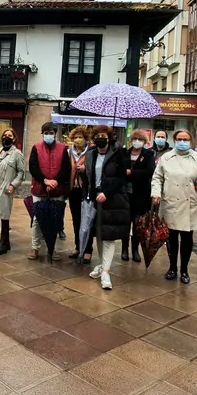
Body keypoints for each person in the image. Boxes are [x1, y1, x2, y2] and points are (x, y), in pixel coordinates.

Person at [151, 129, 197, 284]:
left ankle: (185, 270)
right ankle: (172, 267)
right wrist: (156, 193)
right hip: (171, 202)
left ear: (190, 141)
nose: (183, 142)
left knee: (187, 238)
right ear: (175, 141)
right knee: (171, 237)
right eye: (180, 139)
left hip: (190, 204)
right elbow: (157, 178)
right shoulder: (166, 158)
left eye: (186, 139)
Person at [83, 125, 130, 290]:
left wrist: (107, 193)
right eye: (97, 135)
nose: (100, 138)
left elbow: (122, 178)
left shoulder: (118, 154)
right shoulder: (91, 155)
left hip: (113, 199)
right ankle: (102, 265)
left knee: (109, 236)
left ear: (109, 137)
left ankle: (106, 272)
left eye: (103, 135)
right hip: (96, 198)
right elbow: (90, 177)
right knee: (99, 234)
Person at [28, 121, 72, 261]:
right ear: (42, 134)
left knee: (55, 220)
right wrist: (45, 180)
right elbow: (33, 167)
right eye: (46, 133)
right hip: (39, 189)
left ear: (55, 134)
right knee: (37, 220)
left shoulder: (62, 148)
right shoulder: (36, 147)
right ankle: (35, 247)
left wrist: (55, 182)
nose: (49, 135)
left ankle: (52, 249)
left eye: (51, 133)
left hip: (57, 190)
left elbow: (66, 168)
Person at [0, 128, 25, 256]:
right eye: (4, 135)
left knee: (4, 214)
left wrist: (13, 185)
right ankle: (6, 241)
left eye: (9, 136)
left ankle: (3, 242)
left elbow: (21, 172)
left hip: (6, 187)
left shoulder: (17, 154)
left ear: (14, 138)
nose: (6, 137)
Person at [123, 129, 155, 262]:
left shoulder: (148, 154)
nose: (137, 142)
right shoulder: (125, 153)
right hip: (126, 194)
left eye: (140, 139)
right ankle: (124, 249)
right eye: (135, 139)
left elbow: (149, 171)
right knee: (125, 223)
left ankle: (135, 250)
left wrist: (132, 173)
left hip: (141, 195)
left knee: (137, 224)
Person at [66, 127, 91, 260]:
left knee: (86, 219)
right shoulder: (69, 152)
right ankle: (78, 246)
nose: (78, 140)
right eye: (75, 137)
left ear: (86, 138)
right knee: (76, 219)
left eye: (80, 137)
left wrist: (85, 169)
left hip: (85, 189)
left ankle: (88, 249)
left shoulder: (91, 151)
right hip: (73, 189)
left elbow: (94, 169)